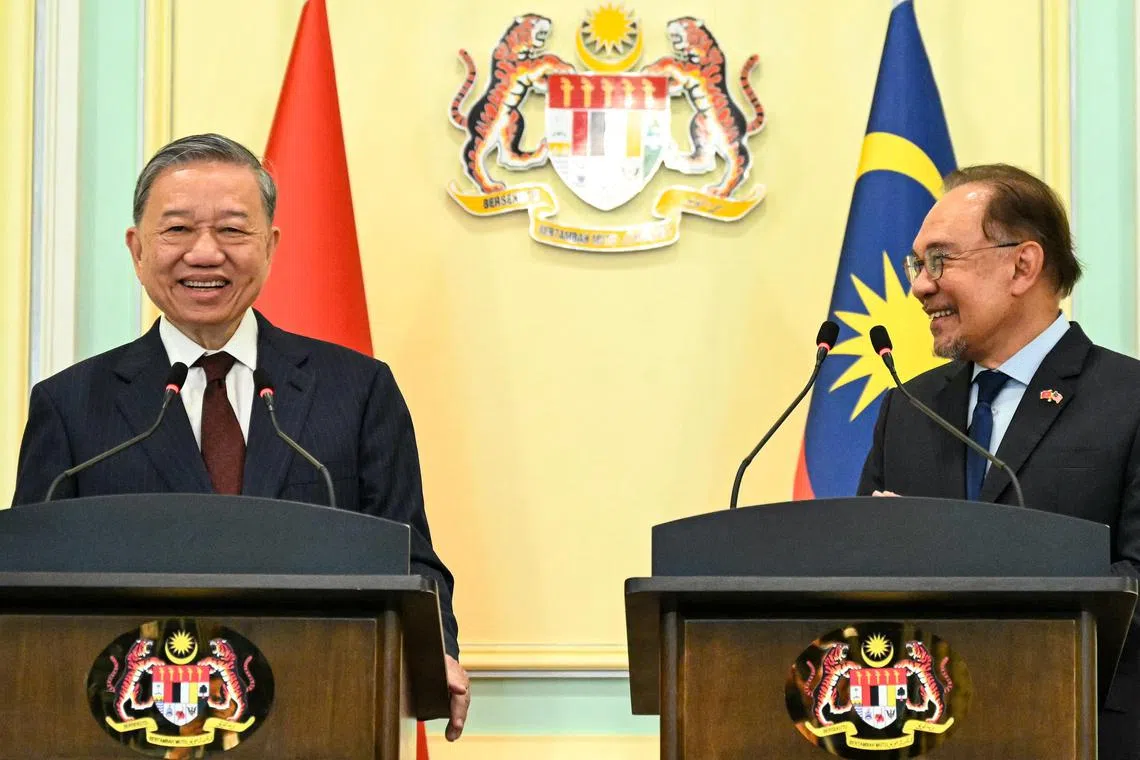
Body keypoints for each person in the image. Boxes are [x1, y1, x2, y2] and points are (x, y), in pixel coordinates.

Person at [11, 133, 471, 741]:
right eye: (177, 230)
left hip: (320, 717)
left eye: (232, 230)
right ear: (136, 248)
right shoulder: (70, 405)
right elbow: (25, 574)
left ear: (270, 246)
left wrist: (430, 651)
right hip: (122, 729)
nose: (205, 254)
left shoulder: (356, 391)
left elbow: (409, 555)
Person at [858, 163, 1140, 756]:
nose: (919, 286)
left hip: (1084, 731)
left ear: (1023, 265)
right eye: (918, 264)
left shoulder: (1128, 400)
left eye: (939, 260)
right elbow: (860, 584)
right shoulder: (908, 411)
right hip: (924, 737)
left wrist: (965, 560)